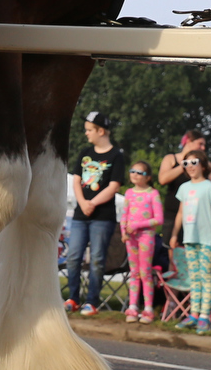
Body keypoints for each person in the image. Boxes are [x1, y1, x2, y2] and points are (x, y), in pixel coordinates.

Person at [63, 111, 126, 316]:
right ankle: (73, 298)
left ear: (101, 131)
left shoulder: (117, 155)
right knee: (73, 257)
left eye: (89, 130)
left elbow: (114, 185)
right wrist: (82, 202)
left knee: (97, 259)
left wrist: (93, 202)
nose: (87, 134)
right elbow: (76, 180)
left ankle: (92, 301)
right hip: (81, 215)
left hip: (102, 216)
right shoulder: (84, 153)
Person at [167, 151, 211, 334]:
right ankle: (193, 314)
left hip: (207, 240)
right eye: (186, 162)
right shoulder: (184, 188)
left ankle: (205, 317)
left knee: (206, 277)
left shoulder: (209, 187)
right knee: (194, 278)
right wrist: (175, 234)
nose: (190, 166)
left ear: (203, 165)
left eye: (194, 161)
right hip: (190, 239)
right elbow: (180, 213)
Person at [120, 161, 165, 324]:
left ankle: (147, 308)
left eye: (139, 173)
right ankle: (133, 306)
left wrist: (137, 225)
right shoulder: (129, 193)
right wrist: (124, 232)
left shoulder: (153, 194)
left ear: (148, 177)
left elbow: (159, 219)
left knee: (145, 273)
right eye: (132, 171)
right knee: (134, 273)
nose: (135, 175)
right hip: (130, 238)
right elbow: (124, 215)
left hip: (146, 237)